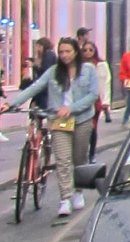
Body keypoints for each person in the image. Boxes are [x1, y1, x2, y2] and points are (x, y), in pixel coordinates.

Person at [5, 37, 98, 220]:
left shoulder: (88, 70)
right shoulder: (54, 72)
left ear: (75, 52)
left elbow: (93, 95)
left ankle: (78, 190)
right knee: (63, 160)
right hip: (58, 121)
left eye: (67, 51)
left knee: (79, 159)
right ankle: (65, 199)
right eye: (61, 52)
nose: (64, 55)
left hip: (81, 119)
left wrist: (71, 108)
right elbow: (35, 87)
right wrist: (11, 103)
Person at [80, 41, 111, 163]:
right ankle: (82, 152)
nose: (88, 52)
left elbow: (106, 83)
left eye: (90, 50)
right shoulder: (79, 65)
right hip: (81, 100)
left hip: (95, 100)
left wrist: (106, 101)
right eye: (85, 50)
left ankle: (92, 153)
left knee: (92, 128)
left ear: (95, 51)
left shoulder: (101, 65)